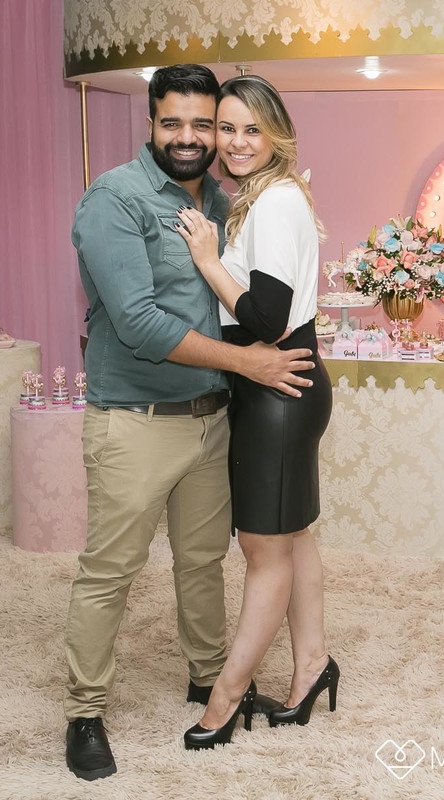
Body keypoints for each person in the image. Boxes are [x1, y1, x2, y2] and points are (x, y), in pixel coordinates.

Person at [64, 64, 317, 781]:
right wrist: (249, 364)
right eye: (172, 121)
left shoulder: (227, 199)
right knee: (110, 572)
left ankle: (207, 678)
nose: (190, 137)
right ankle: (85, 711)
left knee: (203, 563)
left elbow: (251, 298)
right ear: (150, 122)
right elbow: (139, 323)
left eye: (203, 124)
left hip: (213, 417)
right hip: (136, 419)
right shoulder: (114, 199)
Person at [173, 74, 338, 751]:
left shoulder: (272, 203)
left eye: (251, 129)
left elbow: (267, 319)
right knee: (293, 538)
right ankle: (312, 666)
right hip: (281, 385)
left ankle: (227, 697)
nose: (237, 142)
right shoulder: (269, 196)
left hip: (277, 389)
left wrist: (208, 261)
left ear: (276, 135)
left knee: (263, 551)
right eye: (226, 128)